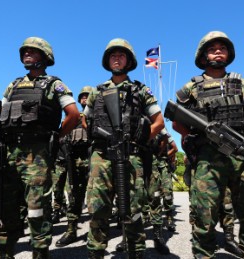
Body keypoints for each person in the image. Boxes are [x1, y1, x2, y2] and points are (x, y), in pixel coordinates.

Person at [172, 31, 244, 258]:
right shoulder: (191, 88)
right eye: (213, 49)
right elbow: (176, 121)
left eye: (222, 48)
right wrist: (188, 138)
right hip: (208, 158)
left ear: (228, 54)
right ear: (204, 55)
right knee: (204, 215)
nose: (218, 52)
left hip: (242, 155)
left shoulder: (243, 83)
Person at [0, 36, 80, 258]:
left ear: (44, 57)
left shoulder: (54, 84)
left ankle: (40, 253)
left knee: (36, 209)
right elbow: (0, 115)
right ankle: (4, 253)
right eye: (24, 51)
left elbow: (74, 115)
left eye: (32, 51)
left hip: (38, 154)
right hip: (10, 152)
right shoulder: (13, 85)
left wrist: (56, 136)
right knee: (6, 209)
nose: (26, 54)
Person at [83, 38, 165, 259]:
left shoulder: (140, 90)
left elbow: (159, 121)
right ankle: (96, 252)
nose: (116, 59)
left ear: (128, 61)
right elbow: (85, 121)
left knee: (134, 209)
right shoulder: (96, 92)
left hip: (131, 155)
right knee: (98, 208)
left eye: (121, 55)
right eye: (112, 55)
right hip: (102, 156)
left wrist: (143, 135)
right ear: (107, 61)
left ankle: (136, 252)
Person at [55, 86, 92, 247]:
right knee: (74, 197)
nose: (84, 98)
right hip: (74, 160)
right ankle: (71, 230)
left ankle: (96, 231)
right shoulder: (73, 117)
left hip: (92, 160)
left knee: (94, 199)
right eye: (82, 96)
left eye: (87, 96)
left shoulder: (97, 116)